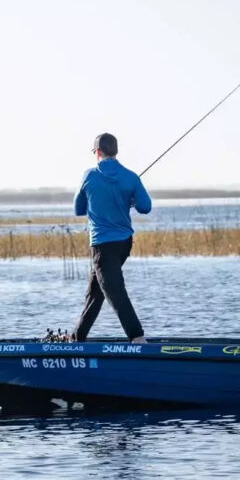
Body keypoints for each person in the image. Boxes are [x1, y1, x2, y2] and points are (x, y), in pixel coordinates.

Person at [73, 132, 152, 343]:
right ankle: (77, 338)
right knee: (96, 291)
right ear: (115, 151)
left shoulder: (89, 176)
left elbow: (78, 209)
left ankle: (137, 338)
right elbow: (145, 207)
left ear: (97, 152)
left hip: (102, 246)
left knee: (114, 290)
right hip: (124, 244)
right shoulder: (131, 177)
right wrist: (130, 199)